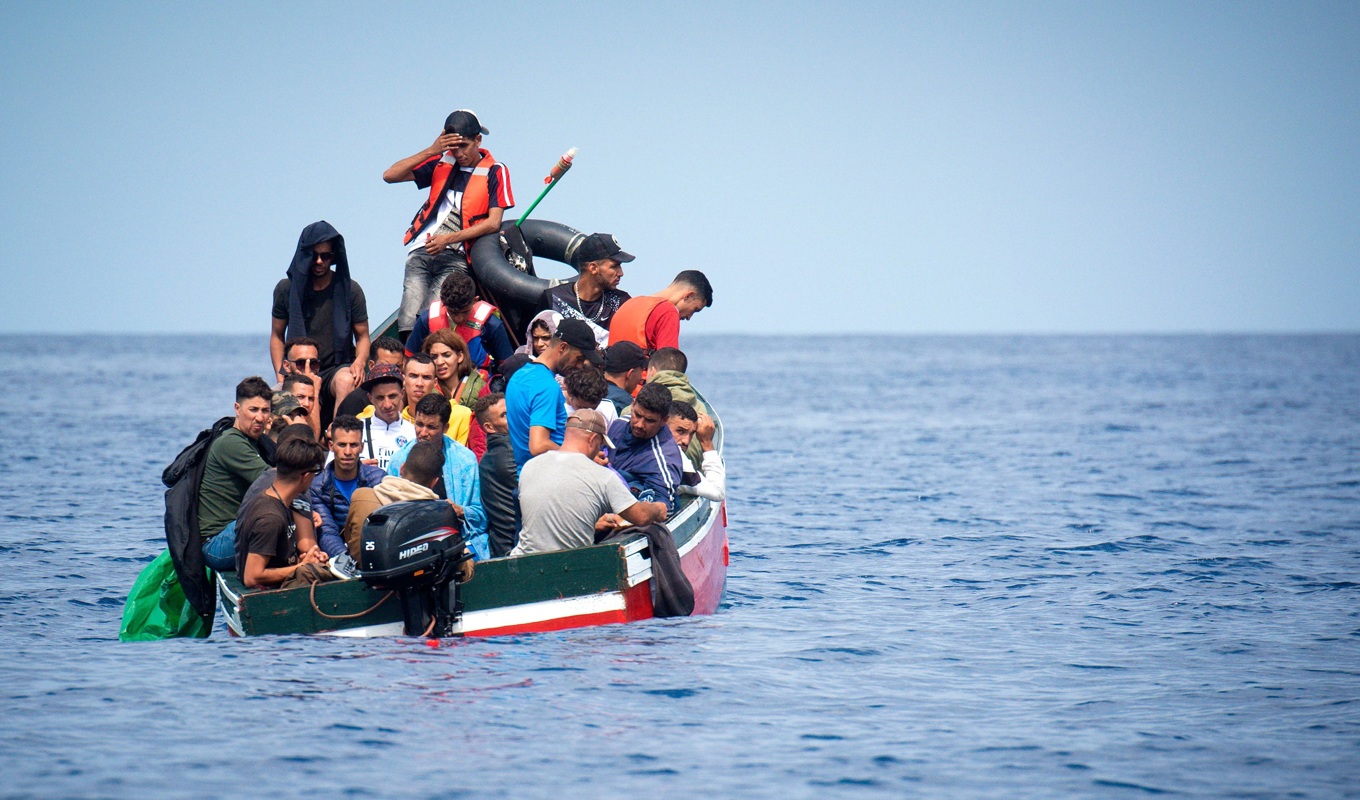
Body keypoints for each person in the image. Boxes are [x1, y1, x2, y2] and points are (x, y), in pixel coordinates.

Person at [384, 110, 515, 337]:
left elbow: (494, 223)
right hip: (421, 251)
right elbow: (390, 175)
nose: (459, 153)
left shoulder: (495, 171)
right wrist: (431, 150)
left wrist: (448, 239)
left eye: (464, 146)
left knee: (432, 319)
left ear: (478, 140)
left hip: (457, 256)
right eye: (453, 148)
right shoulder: (441, 162)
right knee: (407, 323)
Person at [510, 409, 666, 556]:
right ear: (593, 440)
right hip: (569, 564)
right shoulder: (603, 477)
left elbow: (552, 513)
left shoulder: (530, 466)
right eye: (600, 444)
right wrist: (657, 509)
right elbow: (641, 516)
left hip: (524, 559)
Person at [270, 221, 370, 421]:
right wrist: (281, 373)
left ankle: (338, 432)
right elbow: (277, 336)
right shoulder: (286, 289)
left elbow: (363, 336)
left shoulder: (350, 290)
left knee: (346, 380)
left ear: (334, 256)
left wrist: (359, 362)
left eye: (325, 256)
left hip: (336, 366)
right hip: (298, 367)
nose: (318, 261)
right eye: (313, 255)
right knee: (270, 399)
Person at [387, 394, 489, 560]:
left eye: (431, 427)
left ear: (445, 427)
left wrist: (460, 510)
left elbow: (481, 515)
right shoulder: (398, 461)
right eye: (419, 424)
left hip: (459, 539)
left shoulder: (465, 460)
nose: (423, 433)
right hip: (410, 543)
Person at [236, 436, 334, 590]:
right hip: (268, 595)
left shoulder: (282, 502)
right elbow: (251, 576)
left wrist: (306, 559)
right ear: (305, 476)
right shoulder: (270, 518)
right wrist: (302, 566)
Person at [505, 318, 602, 471]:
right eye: (579, 358)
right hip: (547, 476)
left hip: (527, 474)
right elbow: (538, 445)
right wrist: (582, 458)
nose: (579, 366)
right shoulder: (546, 385)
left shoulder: (519, 376)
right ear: (563, 347)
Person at [198, 377, 274, 569]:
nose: (260, 417)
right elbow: (277, 482)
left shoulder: (258, 443)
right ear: (237, 409)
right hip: (217, 543)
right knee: (272, 518)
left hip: (236, 532)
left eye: (265, 410)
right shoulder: (231, 443)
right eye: (253, 409)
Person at [340, 440, 454, 563]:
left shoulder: (361, 497)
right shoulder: (440, 515)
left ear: (402, 468)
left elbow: (350, 541)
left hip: (365, 572)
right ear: (434, 482)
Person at [403, 270, 515, 371]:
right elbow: (409, 359)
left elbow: (507, 365)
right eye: (453, 312)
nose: (459, 318)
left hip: (480, 382)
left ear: (475, 300)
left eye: (465, 312)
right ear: (443, 302)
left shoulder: (491, 324)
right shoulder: (426, 320)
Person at [310, 415, 388, 559]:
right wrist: (345, 562)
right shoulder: (317, 487)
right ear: (331, 446)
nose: (347, 452)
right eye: (341, 445)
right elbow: (327, 531)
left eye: (353, 445)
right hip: (338, 557)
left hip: (375, 553)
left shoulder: (378, 479)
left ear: (362, 447)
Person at [541, 233, 634, 347]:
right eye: (614, 266)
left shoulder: (622, 302)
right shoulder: (553, 298)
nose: (621, 273)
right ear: (593, 268)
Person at [607, 383, 683, 511]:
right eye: (637, 415)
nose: (639, 425)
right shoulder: (619, 424)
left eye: (650, 420)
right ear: (632, 405)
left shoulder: (664, 460)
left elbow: (664, 509)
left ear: (664, 420)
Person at [608, 270, 713, 354]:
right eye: (695, 310)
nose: (689, 317)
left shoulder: (628, 304)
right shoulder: (668, 312)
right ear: (688, 296)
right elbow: (668, 366)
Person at [400, 352, 474, 448]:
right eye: (413, 376)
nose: (419, 383)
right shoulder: (397, 421)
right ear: (404, 380)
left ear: (435, 383)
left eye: (426, 377)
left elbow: (461, 455)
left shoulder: (460, 414)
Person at [474, 393, 517, 558]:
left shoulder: (494, 454)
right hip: (513, 548)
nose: (512, 417)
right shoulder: (507, 454)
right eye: (504, 415)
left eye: (511, 411)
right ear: (489, 427)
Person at [353, 362, 415, 470]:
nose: (387, 405)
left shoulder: (413, 433)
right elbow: (330, 470)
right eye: (380, 398)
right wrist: (354, 469)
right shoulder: (355, 429)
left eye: (392, 396)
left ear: (402, 393)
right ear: (370, 398)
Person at [666, 401, 725, 502]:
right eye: (680, 431)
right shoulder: (676, 459)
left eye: (691, 434)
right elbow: (717, 492)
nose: (686, 441)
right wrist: (707, 443)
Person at [335, 335, 405, 418]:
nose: (391, 372)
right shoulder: (355, 402)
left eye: (397, 367)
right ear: (371, 365)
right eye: (385, 366)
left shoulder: (409, 392)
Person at [602, 341, 648, 414]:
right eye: (640, 373)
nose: (640, 378)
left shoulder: (588, 389)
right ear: (630, 374)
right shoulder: (625, 403)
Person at [279, 371, 320, 438]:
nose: (307, 404)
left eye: (311, 399)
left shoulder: (308, 430)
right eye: (300, 397)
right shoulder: (269, 425)